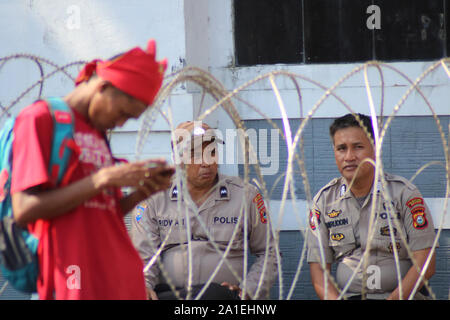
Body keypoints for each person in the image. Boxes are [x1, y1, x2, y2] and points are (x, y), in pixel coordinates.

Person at [10, 39, 175, 299]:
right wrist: (103, 178)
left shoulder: (97, 133)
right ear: (104, 86)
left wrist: (139, 194)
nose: (120, 124)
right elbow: (24, 209)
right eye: (122, 113)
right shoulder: (41, 119)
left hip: (115, 277)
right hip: (70, 278)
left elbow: (99, 215)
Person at [131, 121, 278, 300]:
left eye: (212, 153)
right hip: (172, 295)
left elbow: (269, 252)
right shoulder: (154, 198)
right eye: (197, 154)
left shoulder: (245, 196)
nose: (207, 162)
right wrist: (143, 286)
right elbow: (142, 256)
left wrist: (248, 290)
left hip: (225, 298)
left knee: (214, 295)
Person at [307, 113, 438, 300]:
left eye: (358, 147)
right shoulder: (324, 201)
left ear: (375, 149)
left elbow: (425, 263)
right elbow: (319, 274)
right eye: (341, 149)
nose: (349, 157)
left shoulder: (404, 194)